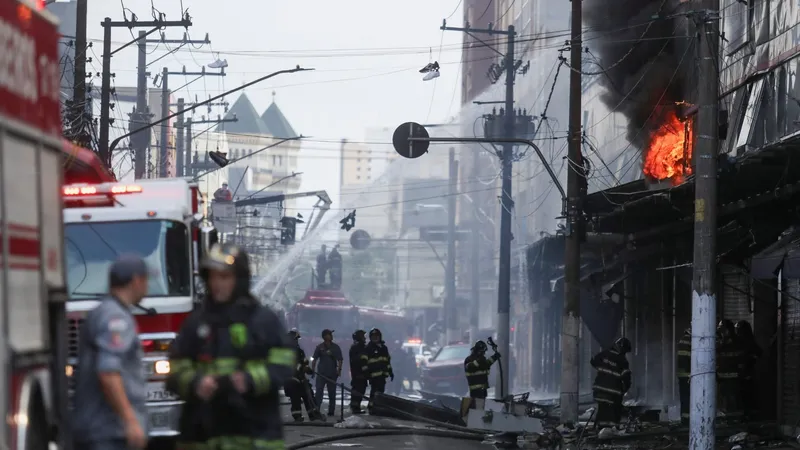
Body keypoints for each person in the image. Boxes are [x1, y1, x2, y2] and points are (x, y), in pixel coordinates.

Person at [165, 243, 295, 449]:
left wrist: (248, 380)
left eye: (224, 277)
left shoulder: (263, 321)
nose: (217, 283)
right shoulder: (196, 322)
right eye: (212, 277)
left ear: (240, 279)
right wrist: (196, 383)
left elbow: (284, 363)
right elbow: (174, 368)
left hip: (254, 435)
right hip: (202, 436)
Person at [71, 254, 150, 450]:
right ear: (136, 280)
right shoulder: (115, 317)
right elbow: (108, 373)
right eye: (146, 280)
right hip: (108, 431)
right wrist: (130, 420)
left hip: (101, 430)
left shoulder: (104, 311)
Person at [590, 337, 632, 431]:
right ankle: (611, 431)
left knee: (602, 410)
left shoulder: (604, 354)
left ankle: (600, 429)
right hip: (613, 393)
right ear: (623, 349)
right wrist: (624, 389)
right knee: (614, 412)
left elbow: (593, 361)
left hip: (599, 390)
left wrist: (603, 369)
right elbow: (626, 379)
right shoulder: (622, 361)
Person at [284, 328, 321, 422]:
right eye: (296, 339)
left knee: (309, 395)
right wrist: (301, 368)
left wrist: (309, 370)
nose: (297, 341)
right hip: (291, 380)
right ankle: (297, 416)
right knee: (295, 399)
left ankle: (313, 415)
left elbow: (304, 363)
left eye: (297, 339)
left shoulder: (300, 351)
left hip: (301, 379)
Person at [311, 329, 343, 417]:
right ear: (325, 336)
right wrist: (313, 370)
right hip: (321, 374)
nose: (331, 336)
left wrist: (339, 370)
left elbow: (340, 359)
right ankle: (317, 409)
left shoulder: (335, 347)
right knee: (319, 393)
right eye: (329, 334)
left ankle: (331, 411)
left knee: (332, 393)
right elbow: (314, 359)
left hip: (332, 374)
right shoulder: (320, 347)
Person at [717, 319, 744, 421]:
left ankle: (734, 419)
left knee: (732, 398)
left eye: (722, 330)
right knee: (726, 398)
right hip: (724, 377)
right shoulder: (722, 342)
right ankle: (730, 418)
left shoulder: (733, 342)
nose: (721, 332)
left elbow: (741, 359)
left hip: (733, 377)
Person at [735, 320, 761, 420]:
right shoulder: (737, 341)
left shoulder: (748, 341)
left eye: (738, 329)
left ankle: (748, 416)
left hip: (747, 375)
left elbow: (758, 353)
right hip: (740, 375)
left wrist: (750, 358)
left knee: (747, 397)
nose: (737, 331)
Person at [366, 328, 393, 413]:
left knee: (381, 392)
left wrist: (390, 372)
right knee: (374, 392)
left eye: (377, 336)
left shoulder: (384, 348)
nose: (375, 338)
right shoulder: (369, 348)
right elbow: (366, 362)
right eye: (373, 336)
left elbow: (387, 361)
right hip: (373, 375)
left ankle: (378, 407)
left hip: (382, 375)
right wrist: (367, 374)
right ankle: (371, 407)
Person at [349, 329, 369, 414]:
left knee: (360, 390)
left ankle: (356, 407)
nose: (365, 338)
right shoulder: (357, 347)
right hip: (358, 374)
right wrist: (365, 371)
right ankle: (355, 408)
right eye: (363, 336)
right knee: (358, 390)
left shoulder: (359, 347)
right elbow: (359, 361)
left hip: (359, 374)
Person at [676, 328, 692, 425]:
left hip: (684, 374)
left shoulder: (684, 339)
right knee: (687, 397)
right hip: (688, 374)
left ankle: (685, 419)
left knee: (685, 398)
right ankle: (687, 420)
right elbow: (687, 358)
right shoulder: (688, 340)